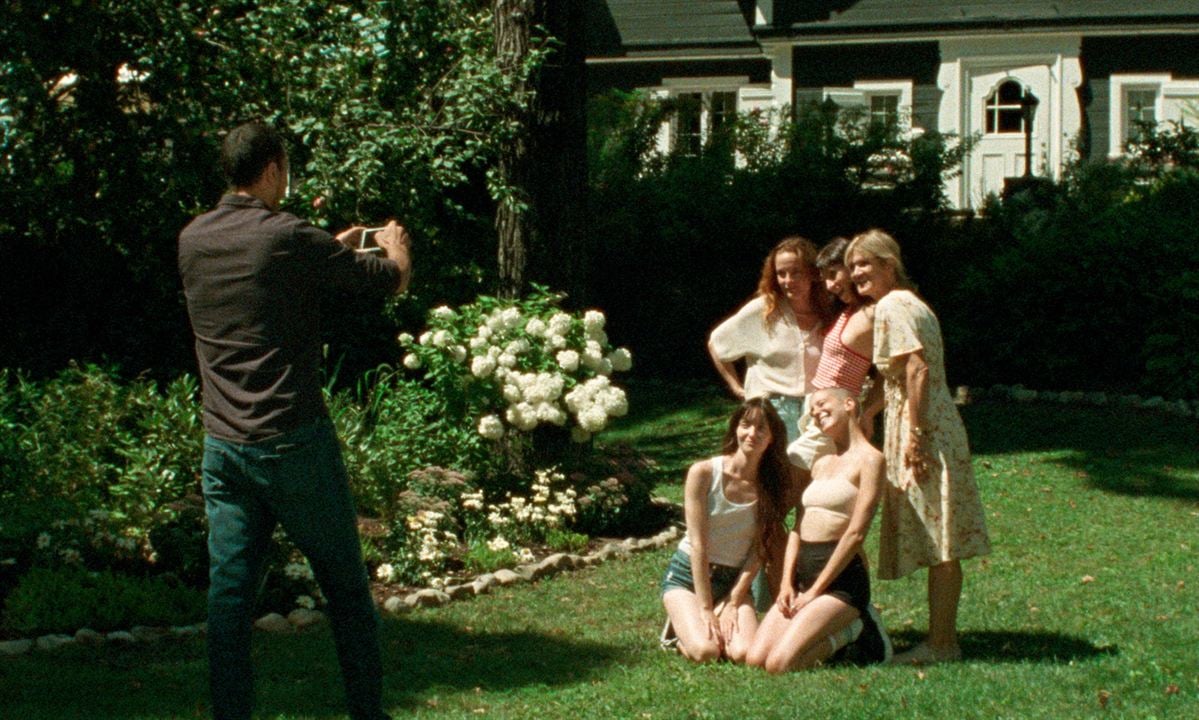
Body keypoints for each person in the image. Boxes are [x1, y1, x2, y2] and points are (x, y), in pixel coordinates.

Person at [178, 121, 410, 720]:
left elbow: (269, 277)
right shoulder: (286, 237)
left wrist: (330, 243)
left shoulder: (194, 239)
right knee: (346, 588)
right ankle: (367, 712)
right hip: (293, 443)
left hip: (224, 447)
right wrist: (394, 245)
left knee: (229, 598)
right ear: (274, 169)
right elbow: (388, 280)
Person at [845, 228, 992, 665]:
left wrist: (916, 436)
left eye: (864, 264)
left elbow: (917, 370)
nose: (856, 274)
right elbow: (898, 376)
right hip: (933, 423)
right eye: (852, 267)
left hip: (926, 428)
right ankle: (942, 638)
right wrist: (871, 412)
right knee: (940, 537)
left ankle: (943, 644)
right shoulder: (911, 303)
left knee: (941, 540)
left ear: (889, 263)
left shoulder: (892, 305)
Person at [746, 387, 886, 673]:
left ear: (849, 404)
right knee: (755, 658)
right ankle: (830, 626)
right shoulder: (821, 463)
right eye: (811, 410)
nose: (816, 412)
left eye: (822, 404)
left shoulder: (871, 460)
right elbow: (798, 527)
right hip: (801, 580)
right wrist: (786, 583)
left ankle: (857, 631)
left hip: (840, 584)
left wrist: (815, 592)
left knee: (779, 665)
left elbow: (856, 533)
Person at [659, 398, 791, 663]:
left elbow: (759, 551)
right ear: (735, 429)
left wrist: (733, 601)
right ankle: (676, 633)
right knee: (708, 652)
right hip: (687, 577)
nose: (752, 434)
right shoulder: (705, 473)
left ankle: (707, 618)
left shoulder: (772, 485)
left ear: (772, 439)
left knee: (742, 653)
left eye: (761, 429)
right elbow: (699, 545)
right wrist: (706, 609)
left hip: (733, 581)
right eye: (746, 425)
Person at [708, 236, 833, 445]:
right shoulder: (765, 310)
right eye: (781, 273)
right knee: (776, 475)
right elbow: (716, 343)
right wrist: (737, 389)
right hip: (773, 410)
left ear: (813, 273)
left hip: (816, 411)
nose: (787, 280)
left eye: (795, 272)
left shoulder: (828, 312)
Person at [787, 237, 878, 471]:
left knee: (792, 476)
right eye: (825, 277)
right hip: (817, 408)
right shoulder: (849, 311)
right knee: (810, 486)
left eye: (833, 274)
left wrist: (868, 412)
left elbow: (892, 371)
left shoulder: (873, 313)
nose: (829, 285)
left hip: (835, 411)